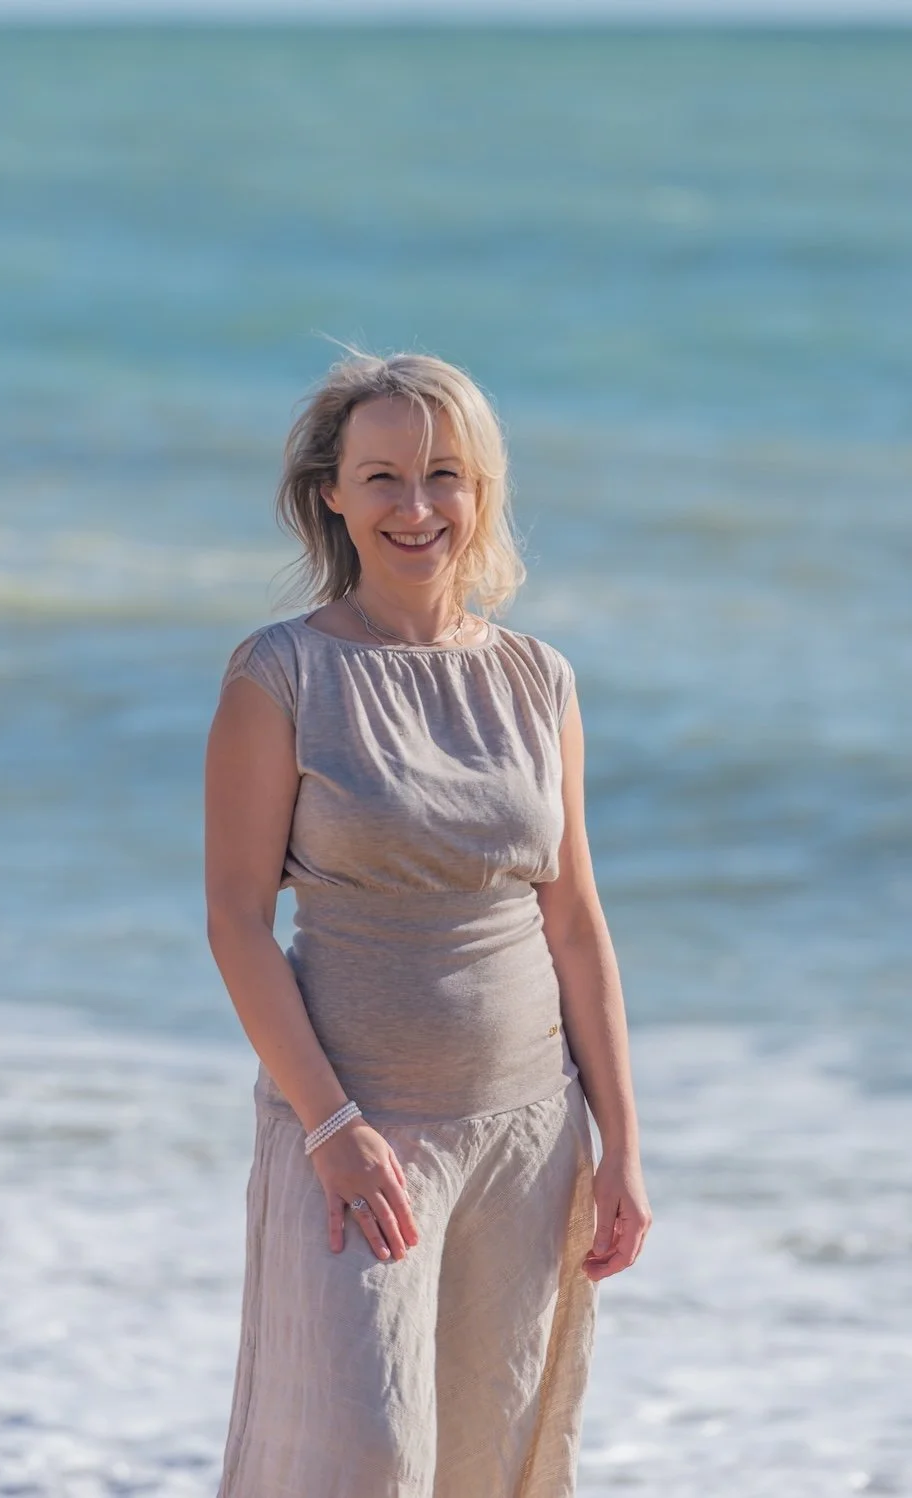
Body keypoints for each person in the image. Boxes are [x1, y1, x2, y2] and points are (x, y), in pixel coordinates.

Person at [204, 351, 651, 1498]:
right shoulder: (281, 674)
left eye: (443, 475)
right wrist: (329, 1123)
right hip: (356, 1138)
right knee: (358, 1460)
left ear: (480, 491)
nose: (415, 507)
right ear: (333, 495)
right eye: (383, 476)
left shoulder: (536, 678)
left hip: (528, 1135)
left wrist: (622, 1148)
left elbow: (576, 922)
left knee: (484, 1460)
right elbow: (237, 922)